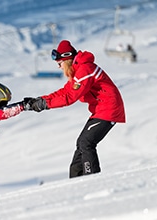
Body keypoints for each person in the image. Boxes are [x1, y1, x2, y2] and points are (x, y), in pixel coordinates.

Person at [27, 40, 126, 178]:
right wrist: (40, 100)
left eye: (60, 64)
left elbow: (70, 97)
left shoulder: (85, 70)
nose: (59, 67)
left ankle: (91, 179)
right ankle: (76, 179)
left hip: (109, 109)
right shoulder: (79, 71)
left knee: (87, 142)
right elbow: (64, 92)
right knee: (81, 143)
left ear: (67, 60)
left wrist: (45, 105)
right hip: (101, 110)